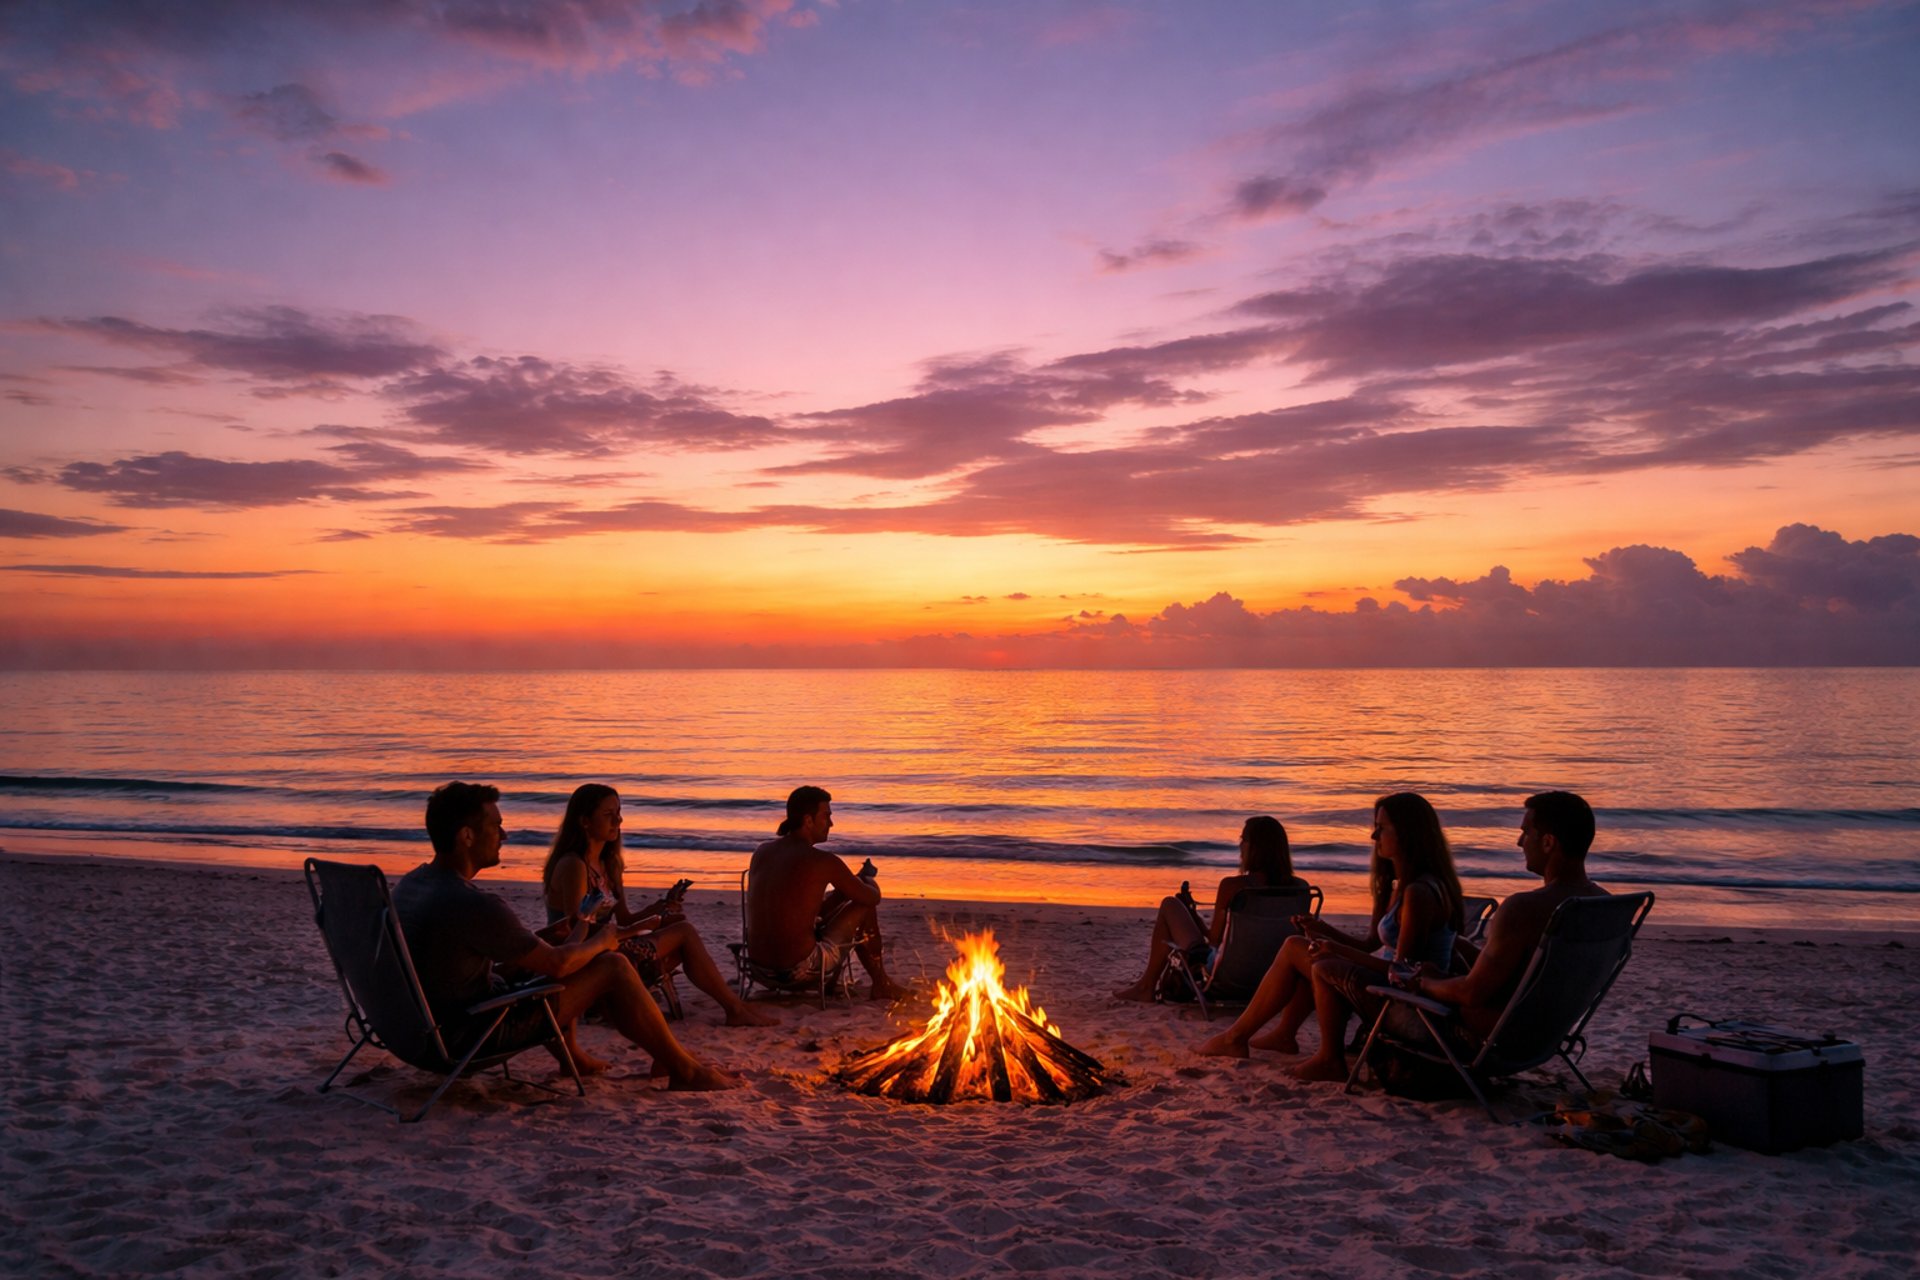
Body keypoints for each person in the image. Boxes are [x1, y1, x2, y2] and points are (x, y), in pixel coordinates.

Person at [392, 780, 740, 1090]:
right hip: (469, 1036)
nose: (505, 835)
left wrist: (552, 936)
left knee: (551, 951)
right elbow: (558, 966)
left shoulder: (412, 885)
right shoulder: (474, 903)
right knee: (614, 965)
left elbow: (459, 958)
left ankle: (586, 1057)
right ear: (467, 836)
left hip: (415, 1031)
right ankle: (686, 1071)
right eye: (496, 826)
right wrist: (604, 940)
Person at [1197, 792, 1462, 1074]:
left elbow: (1403, 972)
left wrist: (1335, 950)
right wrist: (1325, 932)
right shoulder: (1399, 887)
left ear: (1408, 834)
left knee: (1301, 951)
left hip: (1405, 1005)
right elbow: (1371, 944)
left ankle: (1297, 1051)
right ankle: (1282, 1034)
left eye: (1382, 828)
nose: (1374, 836)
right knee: (1306, 948)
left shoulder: (1418, 894)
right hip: (1385, 987)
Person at [540, 783, 778, 1027]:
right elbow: (575, 931)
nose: (618, 820)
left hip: (606, 947)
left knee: (677, 924)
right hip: (584, 960)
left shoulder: (609, 864)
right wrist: (636, 930)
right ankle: (734, 1008)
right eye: (608, 815)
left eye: (619, 813)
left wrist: (660, 907)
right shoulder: (574, 866)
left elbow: (623, 918)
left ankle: (730, 1006)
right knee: (682, 933)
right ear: (585, 821)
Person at [1392, 791, 1609, 1040]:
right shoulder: (1605, 904)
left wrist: (1424, 981)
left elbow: (1471, 994)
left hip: (1499, 1035)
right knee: (1456, 955)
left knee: (1351, 976)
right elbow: (1529, 974)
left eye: (1526, 832)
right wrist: (1459, 950)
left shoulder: (1522, 908)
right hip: (1551, 1032)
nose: (1519, 842)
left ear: (1548, 842)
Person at [1112, 815, 1309, 1002]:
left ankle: (1146, 987)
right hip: (1274, 978)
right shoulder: (1301, 888)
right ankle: (1146, 986)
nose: (1240, 846)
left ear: (1254, 848)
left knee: (1170, 905)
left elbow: (1213, 941)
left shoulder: (1234, 887)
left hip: (1229, 977)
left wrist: (1192, 915)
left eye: (1243, 840)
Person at [744, 785, 911, 1001]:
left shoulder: (762, 852)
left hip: (760, 970)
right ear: (808, 820)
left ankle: (844, 985)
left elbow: (806, 913)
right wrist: (867, 881)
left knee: (839, 908)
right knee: (865, 906)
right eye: (826, 816)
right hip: (800, 972)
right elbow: (872, 898)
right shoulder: (823, 861)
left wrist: (844, 890)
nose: (831, 823)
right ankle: (881, 983)